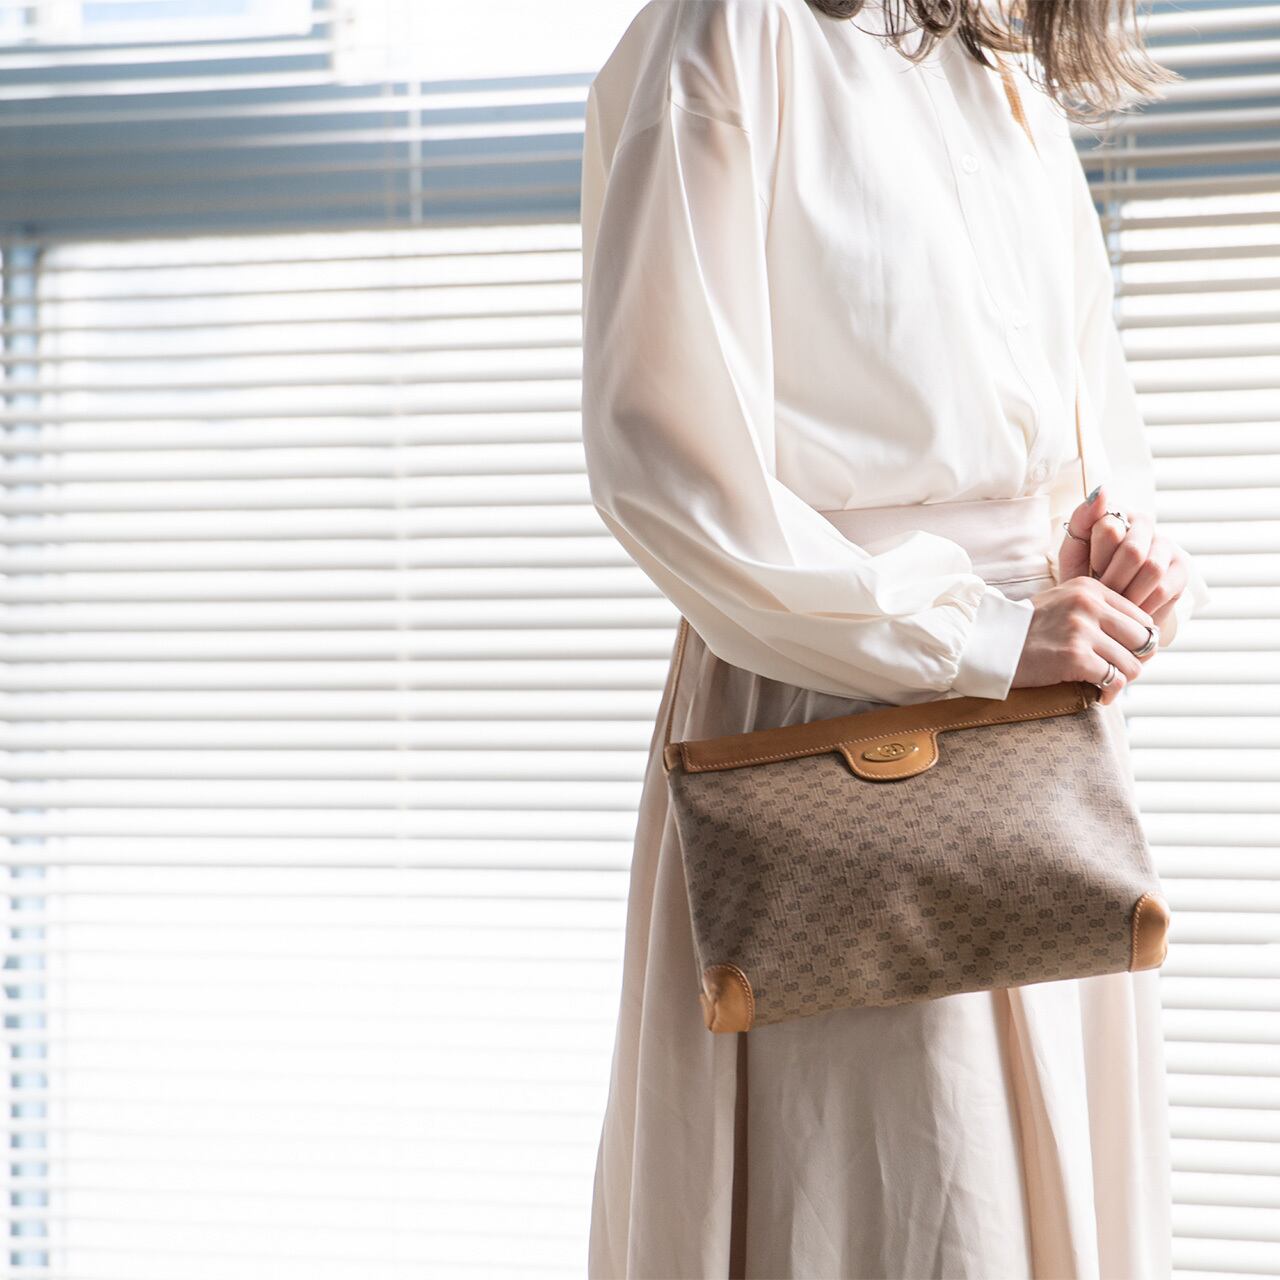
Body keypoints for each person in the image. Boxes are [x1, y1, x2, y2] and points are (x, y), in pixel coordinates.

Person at [578, 2, 1214, 1276]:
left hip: (1041, 729)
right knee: (898, 1196)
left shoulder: (997, 59)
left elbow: (1081, 430)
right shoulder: (730, 34)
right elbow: (666, 467)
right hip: (838, 719)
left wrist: (1119, 557)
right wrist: (974, 632)